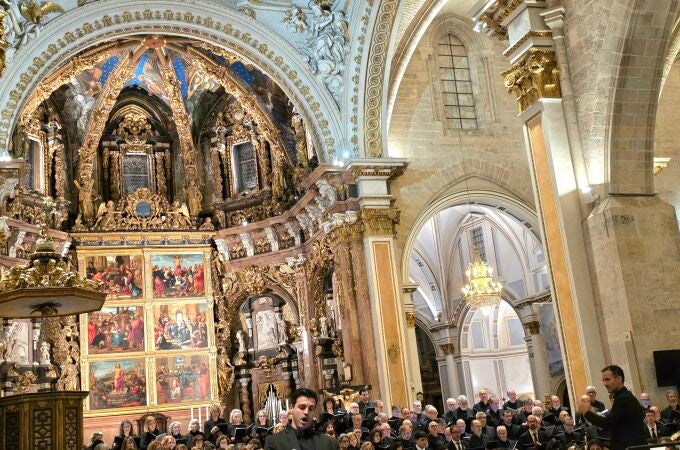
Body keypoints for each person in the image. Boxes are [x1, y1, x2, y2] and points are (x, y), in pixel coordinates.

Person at [577, 364, 646, 450]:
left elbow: (608, 423)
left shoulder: (623, 398)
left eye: (608, 379)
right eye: (603, 380)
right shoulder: (623, 397)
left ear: (619, 379)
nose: (605, 383)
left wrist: (586, 412)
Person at [264, 387, 339, 450]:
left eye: (311, 409)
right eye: (302, 407)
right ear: (291, 408)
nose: (306, 412)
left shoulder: (330, 443)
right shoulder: (274, 442)